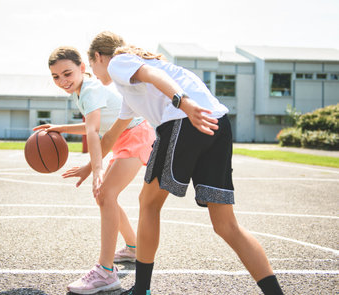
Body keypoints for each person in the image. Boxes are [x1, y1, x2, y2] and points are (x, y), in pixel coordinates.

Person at [87, 31, 284, 295]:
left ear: (98, 57)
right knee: (226, 225)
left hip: (186, 119)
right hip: (217, 124)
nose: (95, 74)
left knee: (148, 203)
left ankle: (140, 291)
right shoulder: (132, 92)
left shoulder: (119, 62)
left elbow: (153, 77)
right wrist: (91, 167)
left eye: (91, 66)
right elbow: (113, 134)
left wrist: (184, 102)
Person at [33, 46, 155, 294]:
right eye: (56, 77)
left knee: (106, 194)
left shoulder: (89, 90)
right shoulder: (82, 92)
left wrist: (96, 168)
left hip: (136, 134)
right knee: (105, 196)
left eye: (67, 73)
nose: (62, 81)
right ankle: (132, 247)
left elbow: (92, 131)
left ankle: (106, 272)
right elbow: (91, 124)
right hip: (123, 137)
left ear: (82, 68)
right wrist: (60, 128)